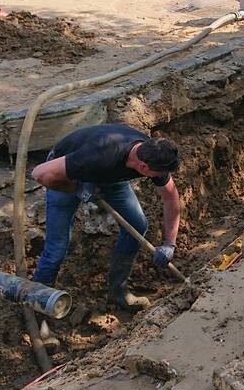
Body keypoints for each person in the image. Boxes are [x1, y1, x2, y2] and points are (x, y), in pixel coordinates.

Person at [30, 123, 182, 311]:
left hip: (108, 177)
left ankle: (118, 291)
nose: (161, 177)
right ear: (143, 167)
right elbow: (39, 173)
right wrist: (77, 189)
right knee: (56, 249)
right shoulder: (100, 153)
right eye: (158, 174)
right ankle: (38, 306)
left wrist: (169, 243)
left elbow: (171, 198)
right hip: (65, 175)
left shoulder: (152, 153)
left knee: (137, 224)